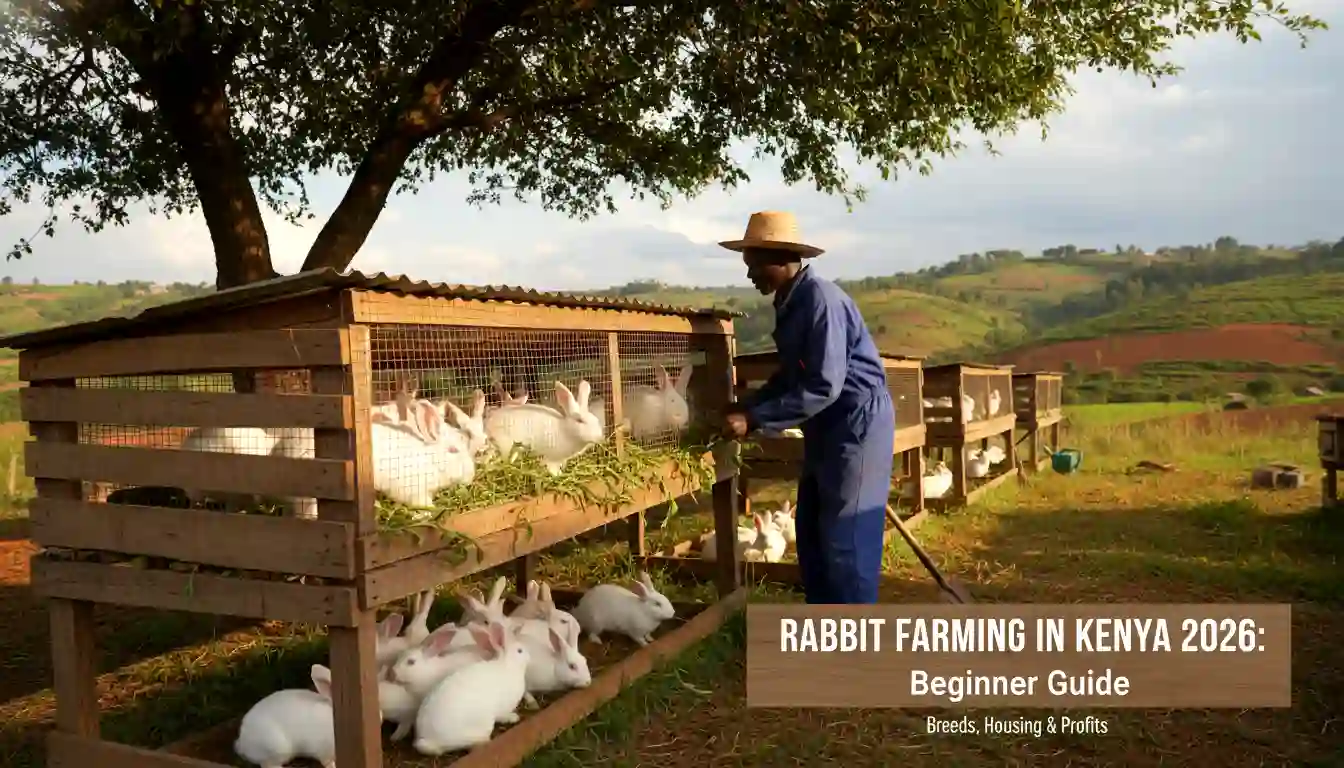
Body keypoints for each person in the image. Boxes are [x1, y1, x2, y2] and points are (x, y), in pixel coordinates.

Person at [718, 211, 895, 605]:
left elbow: (823, 384)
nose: (750, 277)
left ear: (782, 258)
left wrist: (753, 419)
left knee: (845, 540)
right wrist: (748, 405)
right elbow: (792, 377)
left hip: (855, 424)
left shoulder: (820, 301)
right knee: (813, 534)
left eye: (756, 266)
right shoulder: (790, 302)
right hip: (826, 425)